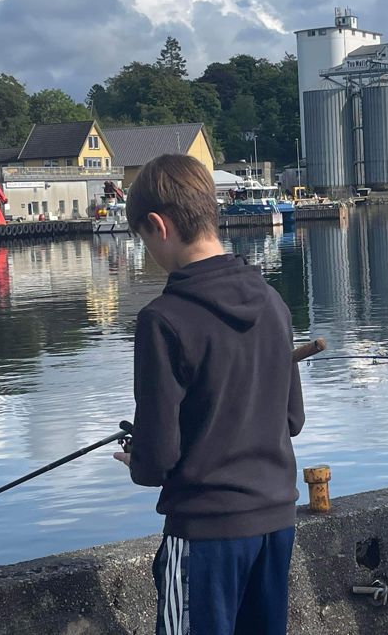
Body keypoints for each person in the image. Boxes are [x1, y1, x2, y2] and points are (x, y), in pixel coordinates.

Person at [113, 154, 305, 635]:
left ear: (158, 226)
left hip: (205, 531)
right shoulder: (271, 301)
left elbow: (157, 459)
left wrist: (140, 456)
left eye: (142, 239)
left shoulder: (164, 319)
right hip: (275, 521)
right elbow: (291, 419)